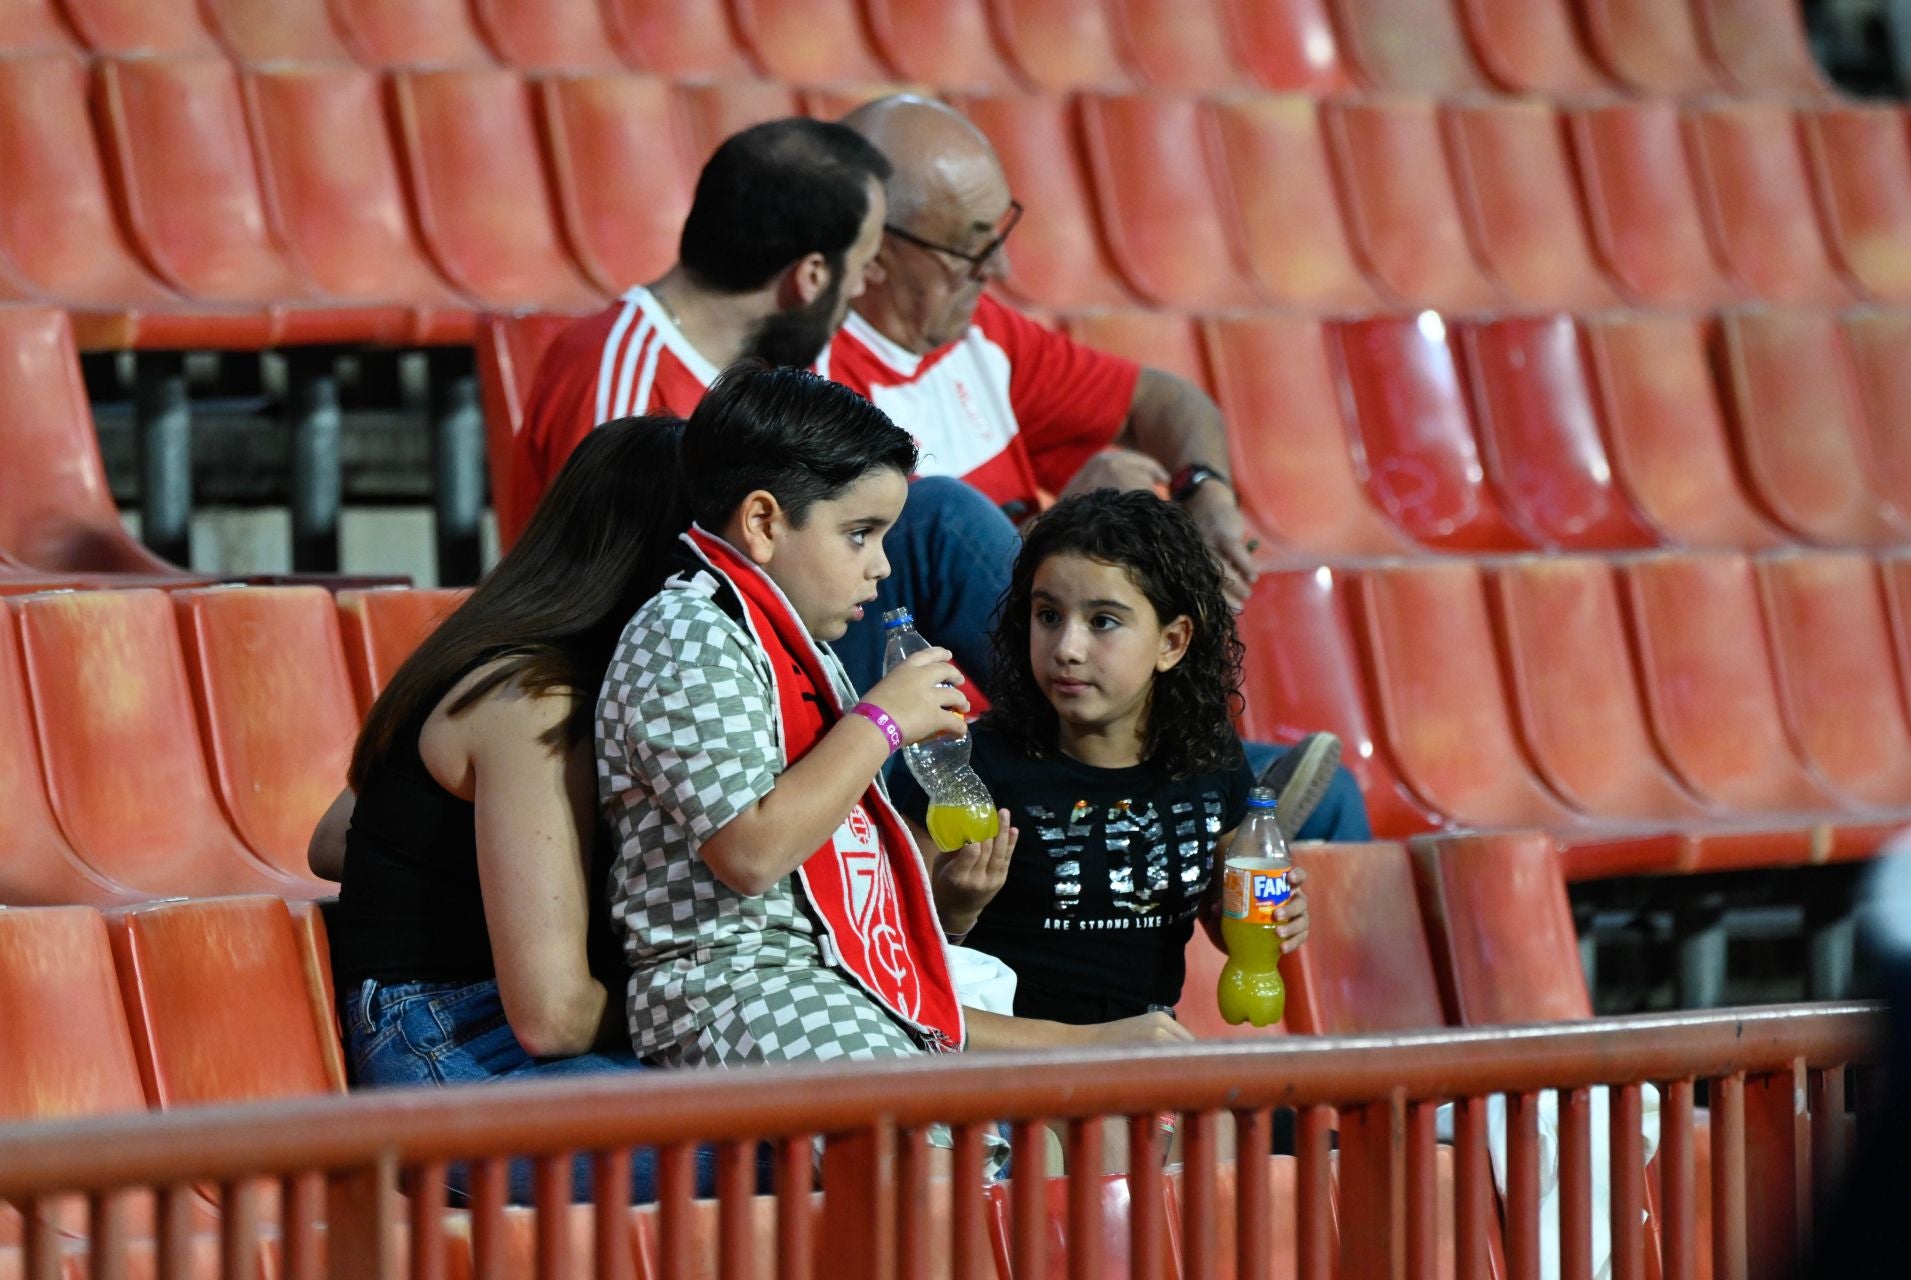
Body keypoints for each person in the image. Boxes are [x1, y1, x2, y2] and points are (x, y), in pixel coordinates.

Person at [598, 364, 1190, 1065]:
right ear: (762, 522)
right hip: (735, 994)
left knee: (1060, 1124)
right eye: (860, 534)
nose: (882, 568)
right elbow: (750, 854)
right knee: (927, 1152)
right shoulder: (688, 631)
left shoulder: (795, 649)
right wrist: (880, 724)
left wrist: (954, 908)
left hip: (825, 988)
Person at [826, 93, 1369, 843]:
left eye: (1001, 233)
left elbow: (1165, 401)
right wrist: (1064, 533)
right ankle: (1178, 776)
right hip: (954, 751)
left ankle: (1177, 776)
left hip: (1053, 718)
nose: (1003, 267)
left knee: (1335, 800)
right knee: (939, 516)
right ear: (877, 252)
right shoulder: (816, 384)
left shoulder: (983, 336)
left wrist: (1203, 488)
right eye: (972, 247)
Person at [308, 414, 697, 1202]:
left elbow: (336, 841)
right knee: (826, 1143)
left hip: (473, 1037)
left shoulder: (492, 650)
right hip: (452, 1057)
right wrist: (703, 1008)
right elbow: (552, 1018)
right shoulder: (533, 696)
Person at [891, 489, 1309, 1024]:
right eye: (1048, 615)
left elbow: (1230, 927)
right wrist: (956, 908)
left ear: (1173, 642)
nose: (1067, 647)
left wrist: (1277, 922)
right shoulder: (971, 767)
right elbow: (898, 974)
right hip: (1009, 1070)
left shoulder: (1209, 757)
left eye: (1103, 621)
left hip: (1143, 1056)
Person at [503, 117, 891, 547]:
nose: (860, 288)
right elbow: (604, 585)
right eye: (862, 264)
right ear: (811, 276)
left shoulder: (783, 363)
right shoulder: (619, 373)